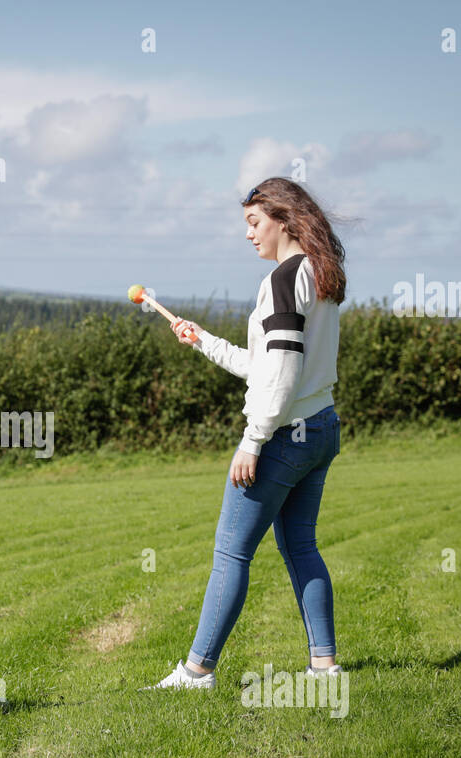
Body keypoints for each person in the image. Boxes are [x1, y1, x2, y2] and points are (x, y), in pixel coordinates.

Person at [146, 177, 346, 690]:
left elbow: (279, 375)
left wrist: (252, 440)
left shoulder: (283, 279)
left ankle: (197, 671)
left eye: (254, 222)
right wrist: (203, 341)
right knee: (301, 545)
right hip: (321, 426)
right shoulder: (318, 274)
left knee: (231, 552)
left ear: (284, 218)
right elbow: (269, 364)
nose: (249, 234)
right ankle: (324, 667)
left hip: (283, 435)